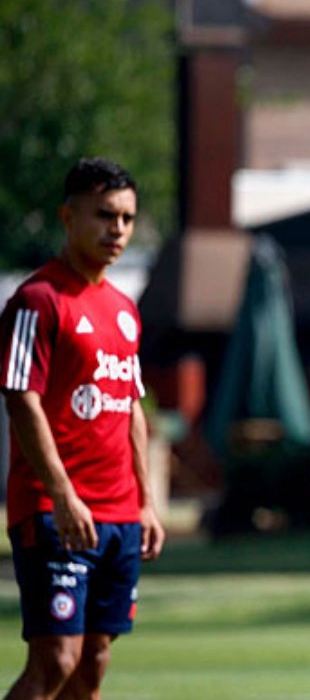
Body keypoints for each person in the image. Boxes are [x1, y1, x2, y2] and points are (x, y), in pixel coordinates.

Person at [2, 157, 166, 700]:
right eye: (104, 215)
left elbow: (131, 408)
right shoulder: (37, 300)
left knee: (92, 664)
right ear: (68, 217)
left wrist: (145, 502)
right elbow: (20, 398)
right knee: (56, 659)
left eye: (126, 218)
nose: (117, 229)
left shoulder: (124, 309)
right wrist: (61, 494)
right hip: (56, 511)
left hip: (120, 515)